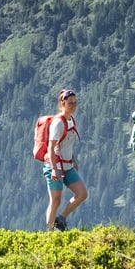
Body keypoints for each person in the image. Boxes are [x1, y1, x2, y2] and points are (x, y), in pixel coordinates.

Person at [44, 88, 88, 231]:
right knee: (55, 201)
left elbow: (67, 143)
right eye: (70, 103)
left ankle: (61, 218)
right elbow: (51, 148)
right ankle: (49, 232)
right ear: (62, 104)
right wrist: (54, 170)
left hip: (68, 166)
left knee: (82, 194)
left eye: (75, 103)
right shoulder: (58, 123)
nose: (73, 106)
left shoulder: (71, 120)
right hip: (54, 167)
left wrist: (72, 159)